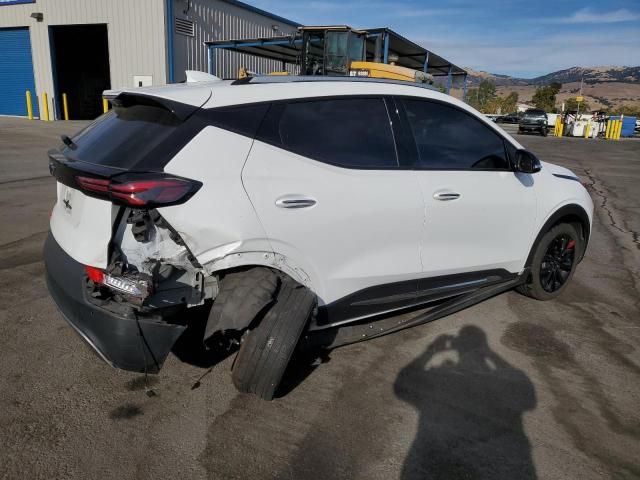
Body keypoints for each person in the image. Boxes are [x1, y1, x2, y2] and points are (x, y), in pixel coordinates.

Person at [395, 325, 537, 479]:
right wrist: (490, 354)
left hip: (432, 461)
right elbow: (527, 395)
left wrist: (432, 349)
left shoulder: (442, 379)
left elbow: (402, 383)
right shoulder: (493, 382)